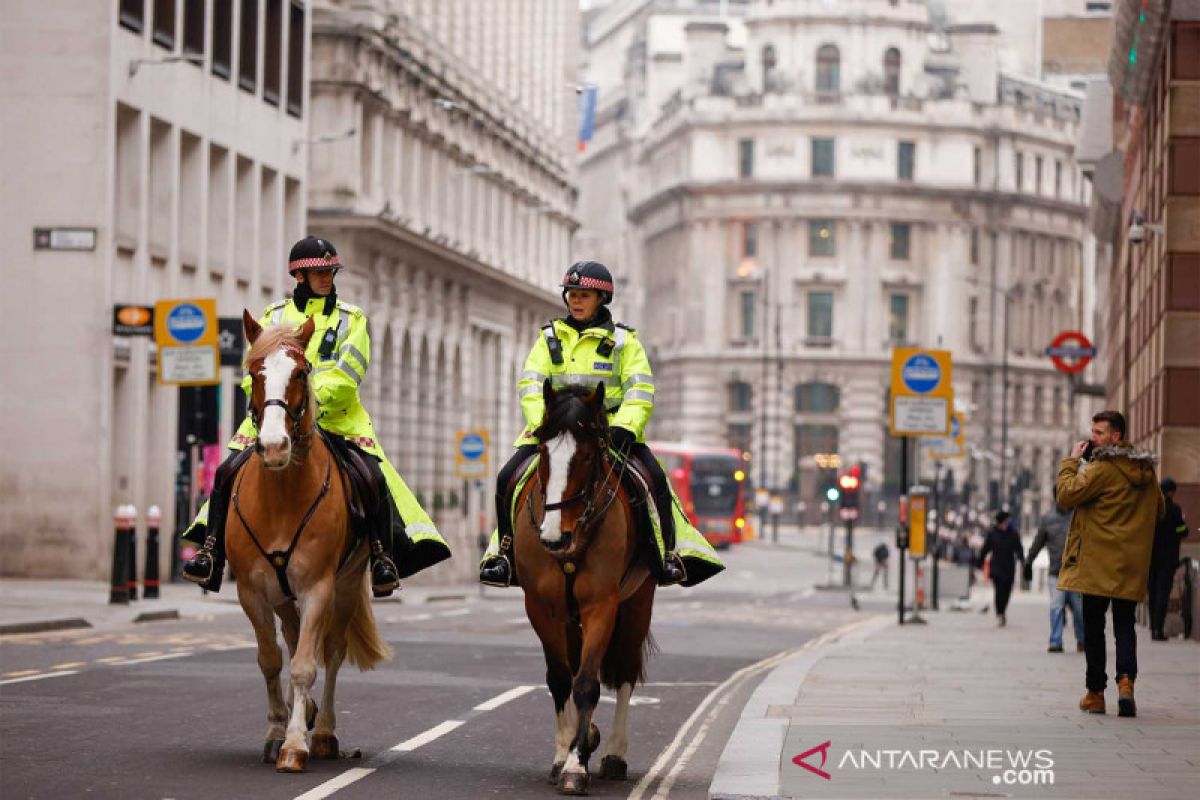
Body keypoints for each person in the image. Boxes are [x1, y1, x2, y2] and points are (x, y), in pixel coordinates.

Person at [181, 236, 452, 596]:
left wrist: (308, 402)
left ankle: (382, 557)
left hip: (338, 419)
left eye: (330, 271)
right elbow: (254, 374)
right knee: (227, 470)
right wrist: (273, 404)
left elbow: (348, 375)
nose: (326, 278)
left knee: (373, 476)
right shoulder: (274, 316)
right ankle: (211, 551)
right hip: (274, 416)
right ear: (299, 277)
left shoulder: (351, 320)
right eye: (318, 272)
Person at [477, 261, 723, 588]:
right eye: (572, 295)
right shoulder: (549, 338)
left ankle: (667, 555)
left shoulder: (624, 342)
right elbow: (531, 385)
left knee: (656, 481)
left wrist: (626, 427)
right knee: (507, 477)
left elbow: (640, 389)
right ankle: (504, 555)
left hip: (610, 435)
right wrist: (543, 424)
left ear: (601, 299)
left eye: (584, 295)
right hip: (554, 434)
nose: (576, 301)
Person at [1056, 410, 1164, 718]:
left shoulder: (1100, 470)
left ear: (1117, 436)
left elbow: (1065, 495)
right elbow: (1160, 509)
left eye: (1100, 432)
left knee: (1094, 628)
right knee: (1125, 624)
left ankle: (1096, 693)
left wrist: (1072, 461)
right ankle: (1126, 683)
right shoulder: (1145, 472)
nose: (1093, 438)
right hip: (1129, 564)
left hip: (1096, 564)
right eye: (1092, 431)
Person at [1025, 491, 1084, 653]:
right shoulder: (1048, 519)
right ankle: (1056, 641)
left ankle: (1082, 640)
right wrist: (1028, 562)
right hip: (1056, 573)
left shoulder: (1079, 515)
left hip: (1075, 573)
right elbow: (1038, 542)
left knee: (1079, 610)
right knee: (1056, 607)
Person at [1148, 477, 1189, 640]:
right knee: (1163, 594)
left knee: (1152, 593)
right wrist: (1182, 527)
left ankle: (1153, 628)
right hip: (1168, 559)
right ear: (1171, 492)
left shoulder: (1152, 509)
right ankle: (1158, 629)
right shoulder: (1174, 510)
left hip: (1151, 558)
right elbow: (1183, 531)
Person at [977, 511, 1025, 627]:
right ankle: (999, 613)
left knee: (1007, 591)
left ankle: (1003, 610)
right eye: (1005, 521)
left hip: (1009, 567)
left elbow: (1019, 549)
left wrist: (1023, 561)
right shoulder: (992, 534)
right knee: (998, 591)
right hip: (996, 567)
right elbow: (985, 549)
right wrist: (980, 562)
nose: (1007, 523)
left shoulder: (1013, 534)